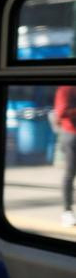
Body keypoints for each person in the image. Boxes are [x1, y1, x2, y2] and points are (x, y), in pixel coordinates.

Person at [53, 85, 76, 226]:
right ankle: (67, 212)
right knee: (70, 173)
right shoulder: (66, 88)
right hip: (71, 134)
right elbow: (61, 112)